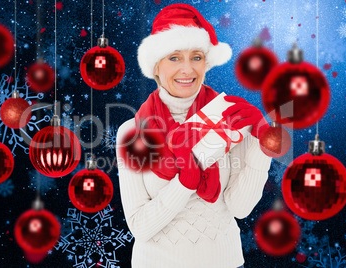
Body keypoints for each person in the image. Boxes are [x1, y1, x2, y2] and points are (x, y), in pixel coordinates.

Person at [116, 3, 272, 268]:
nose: (187, 70)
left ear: (207, 62)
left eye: (196, 57)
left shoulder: (232, 118)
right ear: (155, 66)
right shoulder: (131, 132)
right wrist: (185, 183)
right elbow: (140, 227)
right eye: (174, 58)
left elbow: (240, 208)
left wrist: (262, 145)